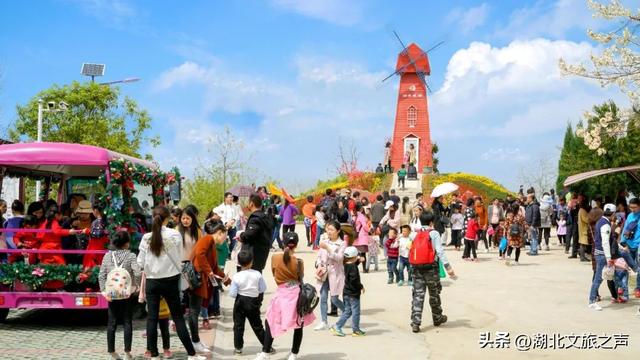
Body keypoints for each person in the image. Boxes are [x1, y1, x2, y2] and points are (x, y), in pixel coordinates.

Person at [136, 206, 205, 360]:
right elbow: (180, 256)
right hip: (171, 280)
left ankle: (153, 354)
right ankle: (192, 355)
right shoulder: (175, 235)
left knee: (152, 318)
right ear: (168, 218)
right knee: (178, 317)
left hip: (152, 281)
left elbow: (140, 261)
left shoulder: (146, 237)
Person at [254, 232, 315, 360]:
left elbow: (274, 273)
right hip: (295, 294)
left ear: (283, 243)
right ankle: (294, 353)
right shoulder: (299, 262)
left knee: (270, 321)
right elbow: (300, 278)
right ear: (296, 245)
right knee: (298, 324)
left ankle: (265, 352)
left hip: (281, 293)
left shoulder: (275, 258)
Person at [410, 211, 456, 333]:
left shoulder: (414, 234)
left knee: (418, 295)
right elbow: (440, 251)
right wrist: (448, 267)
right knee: (434, 293)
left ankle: (415, 322)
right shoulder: (434, 233)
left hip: (416, 268)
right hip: (431, 268)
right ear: (431, 222)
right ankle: (437, 317)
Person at [99, 231, 141, 360]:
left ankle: (112, 352)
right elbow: (138, 273)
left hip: (111, 294)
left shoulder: (107, 256)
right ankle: (127, 353)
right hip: (127, 294)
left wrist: (104, 292)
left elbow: (101, 275)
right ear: (127, 243)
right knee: (127, 322)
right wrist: (136, 287)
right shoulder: (131, 256)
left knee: (112, 323)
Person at [188, 221, 230, 354]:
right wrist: (209, 271)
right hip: (197, 280)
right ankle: (195, 342)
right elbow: (200, 255)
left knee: (195, 312)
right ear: (219, 233)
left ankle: (196, 341)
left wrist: (227, 280)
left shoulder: (211, 243)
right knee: (194, 312)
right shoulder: (207, 239)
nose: (225, 240)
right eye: (225, 236)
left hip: (201, 280)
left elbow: (215, 267)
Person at [231, 250, 268, 355]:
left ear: (238, 262)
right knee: (257, 325)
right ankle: (266, 345)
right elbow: (262, 288)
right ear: (251, 262)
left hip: (240, 301)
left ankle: (238, 348)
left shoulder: (236, 276)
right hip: (253, 302)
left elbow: (233, 294)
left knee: (238, 325)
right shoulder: (257, 274)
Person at [314, 221, 346, 330]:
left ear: (338, 231)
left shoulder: (342, 243)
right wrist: (318, 264)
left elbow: (339, 258)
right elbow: (319, 256)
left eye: (332, 230)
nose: (329, 232)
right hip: (324, 273)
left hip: (335, 273)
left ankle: (347, 313)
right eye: (328, 229)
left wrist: (328, 248)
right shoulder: (324, 241)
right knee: (323, 297)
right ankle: (324, 321)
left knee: (334, 299)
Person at [330, 246, 366, 337]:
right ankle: (355, 329)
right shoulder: (353, 267)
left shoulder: (346, 264)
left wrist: (358, 261)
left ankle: (337, 326)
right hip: (353, 294)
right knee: (355, 312)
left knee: (347, 311)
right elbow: (354, 280)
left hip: (346, 292)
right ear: (354, 256)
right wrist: (361, 286)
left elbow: (352, 264)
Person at [588, 204, 616, 311]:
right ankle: (592, 301)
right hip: (602, 254)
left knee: (598, 278)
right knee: (598, 279)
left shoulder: (600, 221)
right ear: (613, 214)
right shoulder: (606, 224)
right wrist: (609, 258)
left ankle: (592, 299)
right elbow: (605, 242)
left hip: (599, 253)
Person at [240, 194, 274, 273]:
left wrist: (241, 236)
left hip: (253, 256)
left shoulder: (255, 218)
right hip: (261, 254)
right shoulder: (264, 217)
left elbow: (249, 235)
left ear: (251, 203)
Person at [621, 198, 640, 298]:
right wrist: (624, 244)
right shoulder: (629, 216)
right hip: (629, 246)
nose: (632, 209)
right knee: (626, 268)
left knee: (639, 268)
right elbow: (625, 230)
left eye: (635, 207)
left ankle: (638, 288)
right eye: (631, 207)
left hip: (638, 246)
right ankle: (624, 291)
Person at [83, 201, 109, 269]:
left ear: (96, 210)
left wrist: (87, 231)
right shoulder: (106, 221)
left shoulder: (97, 221)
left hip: (95, 247)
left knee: (92, 268)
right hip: (102, 247)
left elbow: (97, 234)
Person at [353, 204, 370, 273]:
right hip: (362, 236)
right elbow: (365, 226)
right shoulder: (361, 216)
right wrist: (370, 231)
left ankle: (354, 268)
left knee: (355, 254)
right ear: (360, 209)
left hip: (355, 237)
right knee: (363, 254)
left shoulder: (354, 216)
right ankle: (364, 269)